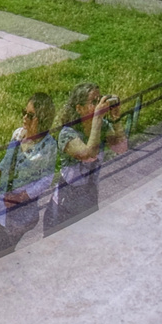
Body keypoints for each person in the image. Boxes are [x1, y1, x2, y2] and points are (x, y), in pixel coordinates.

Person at [0, 92, 58, 264]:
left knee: (3, 257)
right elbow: (7, 159)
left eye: (30, 115)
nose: (24, 118)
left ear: (43, 118)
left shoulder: (49, 146)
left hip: (20, 211)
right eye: (24, 112)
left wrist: (20, 197)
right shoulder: (18, 134)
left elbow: (46, 179)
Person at [45, 82, 128, 233]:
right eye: (94, 102)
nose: (98, 106)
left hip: (89, 201)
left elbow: (121, 148)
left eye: (100, 100)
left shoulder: (103, 126)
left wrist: (116, 119)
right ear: (79, 108)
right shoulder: (67, 134)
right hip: (64, 208)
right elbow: (88, 154)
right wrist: (97, 119)